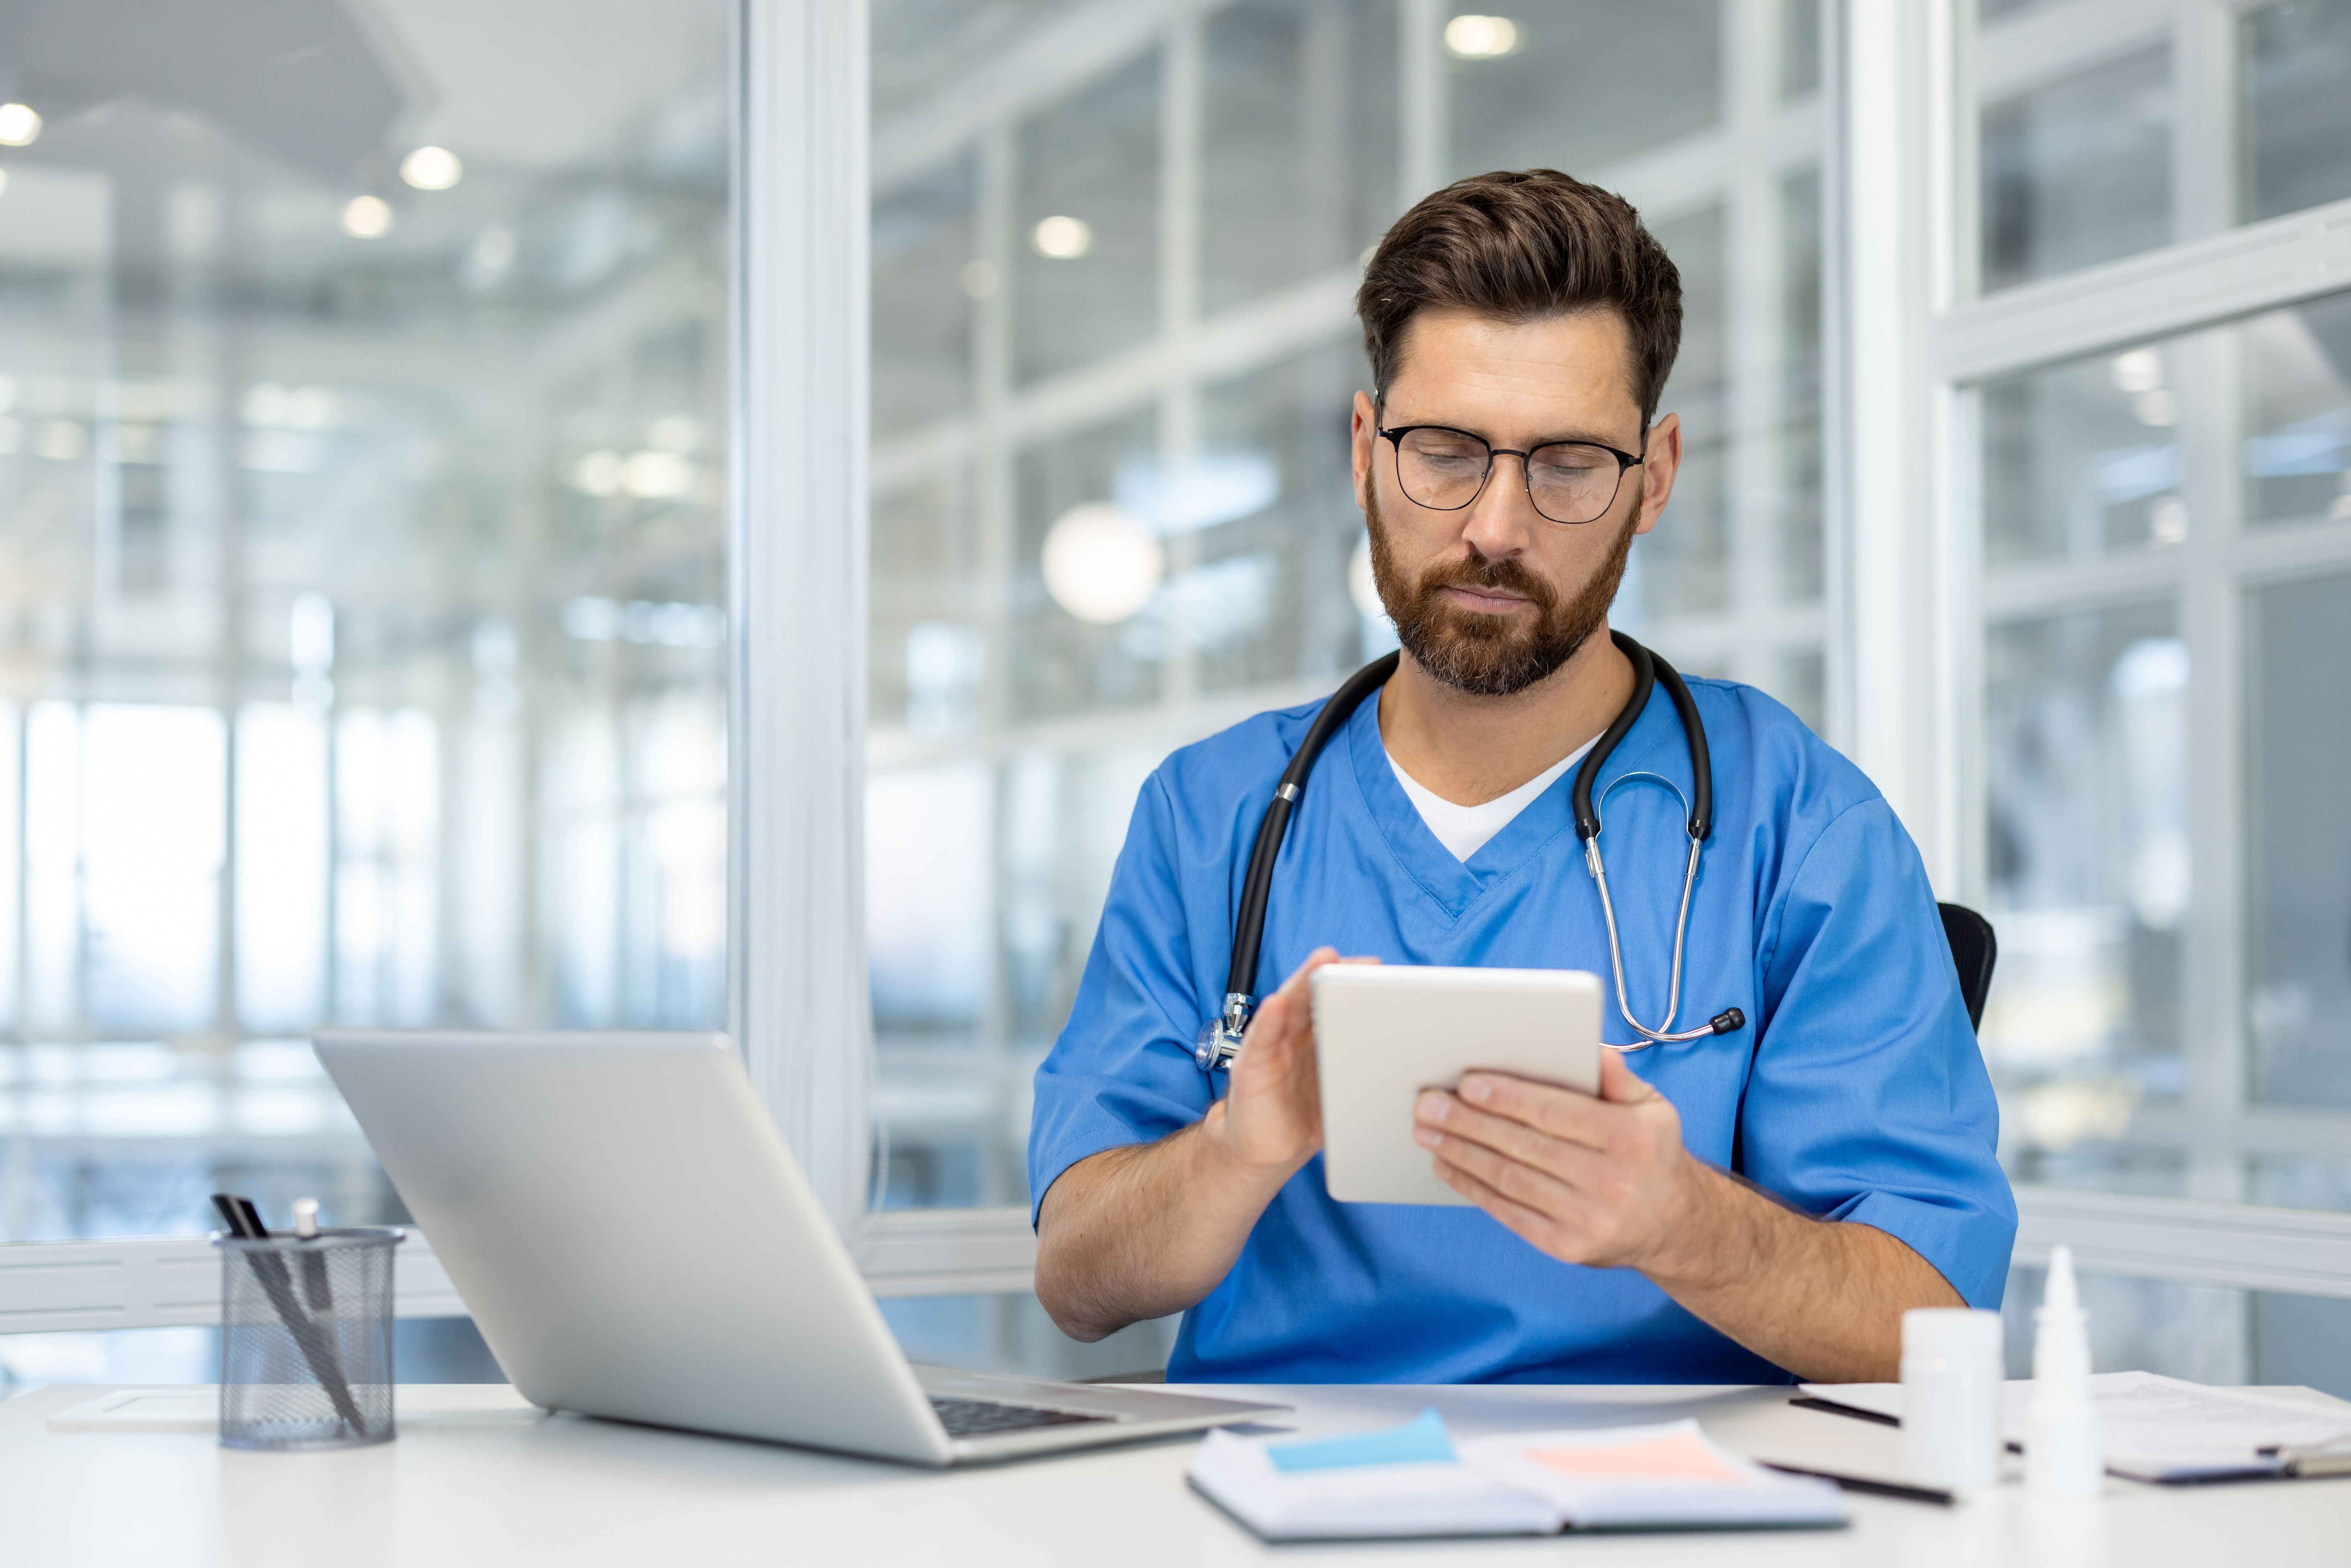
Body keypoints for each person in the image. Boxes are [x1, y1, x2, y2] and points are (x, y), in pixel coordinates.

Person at [1025, 169, 2015, 1384]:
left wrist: (1680, 1224)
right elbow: (1076, 1283)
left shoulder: (1801, 828)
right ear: (1363, 450)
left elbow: (1934, 1327)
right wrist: (1238, 1146)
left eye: (1565, 465)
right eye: (1443, 452)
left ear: (1653, 479)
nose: (1496, 524)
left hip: (1670, 1509)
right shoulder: (1213, 815)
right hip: (1274, 1494)